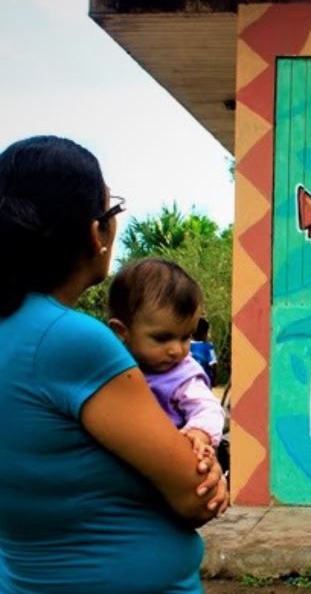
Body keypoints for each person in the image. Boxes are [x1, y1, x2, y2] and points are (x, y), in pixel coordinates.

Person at [0, 136, 228, 593]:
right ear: (96, 233)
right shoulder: (71, 340)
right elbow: (195, 497)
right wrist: (204, 471)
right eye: (112, 212)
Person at [108, 259, 226, 453]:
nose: (177, 350)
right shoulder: (110, 365)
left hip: (167, 455)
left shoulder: (182, 375)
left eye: (186, 337)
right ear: (121, 331)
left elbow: (208, 409)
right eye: (162, 338)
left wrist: (197, 435)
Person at [190, 316, 218, 386]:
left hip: (189, 382)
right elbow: (214, 365)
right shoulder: (208, 347)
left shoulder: (187, 346)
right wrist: (214, 379)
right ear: (204, 333)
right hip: (204, 382)